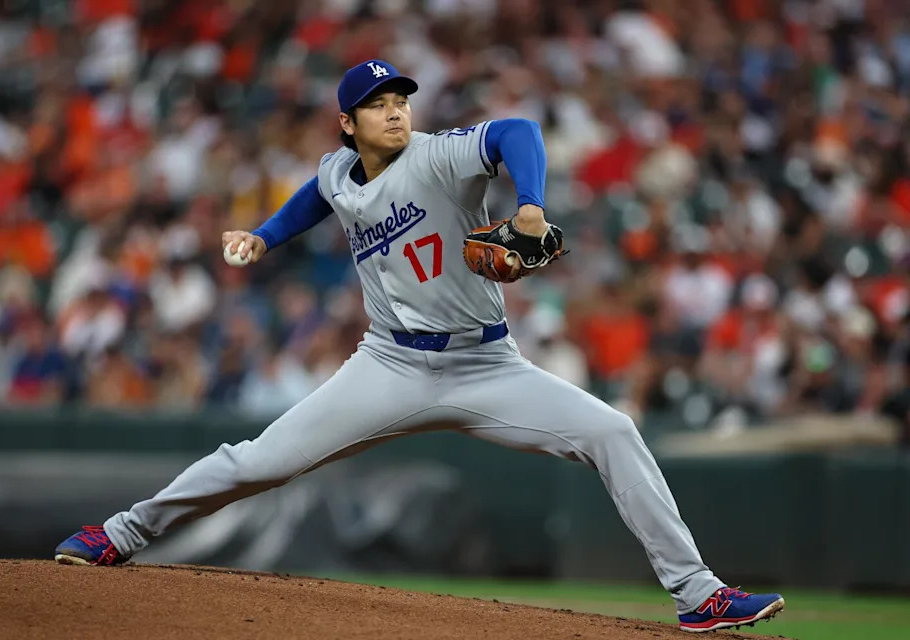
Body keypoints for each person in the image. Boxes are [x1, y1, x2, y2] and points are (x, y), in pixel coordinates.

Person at [55, 60, 784, 632]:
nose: (395, 108)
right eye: (378, 103)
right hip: (391, 364)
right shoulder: (341, 169)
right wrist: (266, 236)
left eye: (401, 97)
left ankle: (698, 595)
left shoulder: (436, 156)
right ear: (348, 122)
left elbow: (515, 133)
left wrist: (528, 204)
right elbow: (321, 191)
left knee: (613, 431)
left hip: (487, 364)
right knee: (257, 463)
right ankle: (121, 533)